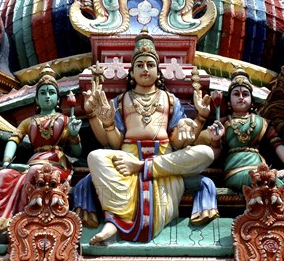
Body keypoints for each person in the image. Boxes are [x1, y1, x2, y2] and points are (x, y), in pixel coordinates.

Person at [81, 28, 215, 245]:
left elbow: (178, 142)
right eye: (139, 65)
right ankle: (113, 222)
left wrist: (199, 119)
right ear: (131, 73)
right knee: (95, 156)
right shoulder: (122, 100)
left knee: (206, 153)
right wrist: (105, 122)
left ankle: (144, 168)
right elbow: (114, 143)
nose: (145, 69)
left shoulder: (170, 100)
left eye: (150, 65)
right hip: (127, 159)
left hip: (163, 162)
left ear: (159, 72)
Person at [196, 69, 284, 245]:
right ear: (229, 101)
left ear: (251, 100)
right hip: (237, 170)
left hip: (260, 166)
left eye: (245, 94)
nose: (241, 97)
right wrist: (216, 141)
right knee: (269, 182)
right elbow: (213, 156)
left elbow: (277, 144)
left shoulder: (261, 122)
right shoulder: (224, 122)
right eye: (236, 94)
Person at [0, 65, 82, 243]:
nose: (47, 96)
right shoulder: (28, 122)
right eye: (43, 93)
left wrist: (75, 134)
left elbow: (77, 151)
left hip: (56, 163)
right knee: (4, 175)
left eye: (51, 93)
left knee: (34, 172)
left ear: (57, 100)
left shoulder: (65, 120)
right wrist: (7, 161)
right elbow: (13, 139)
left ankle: (22, 221)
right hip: (33, 161)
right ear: (37, 100)